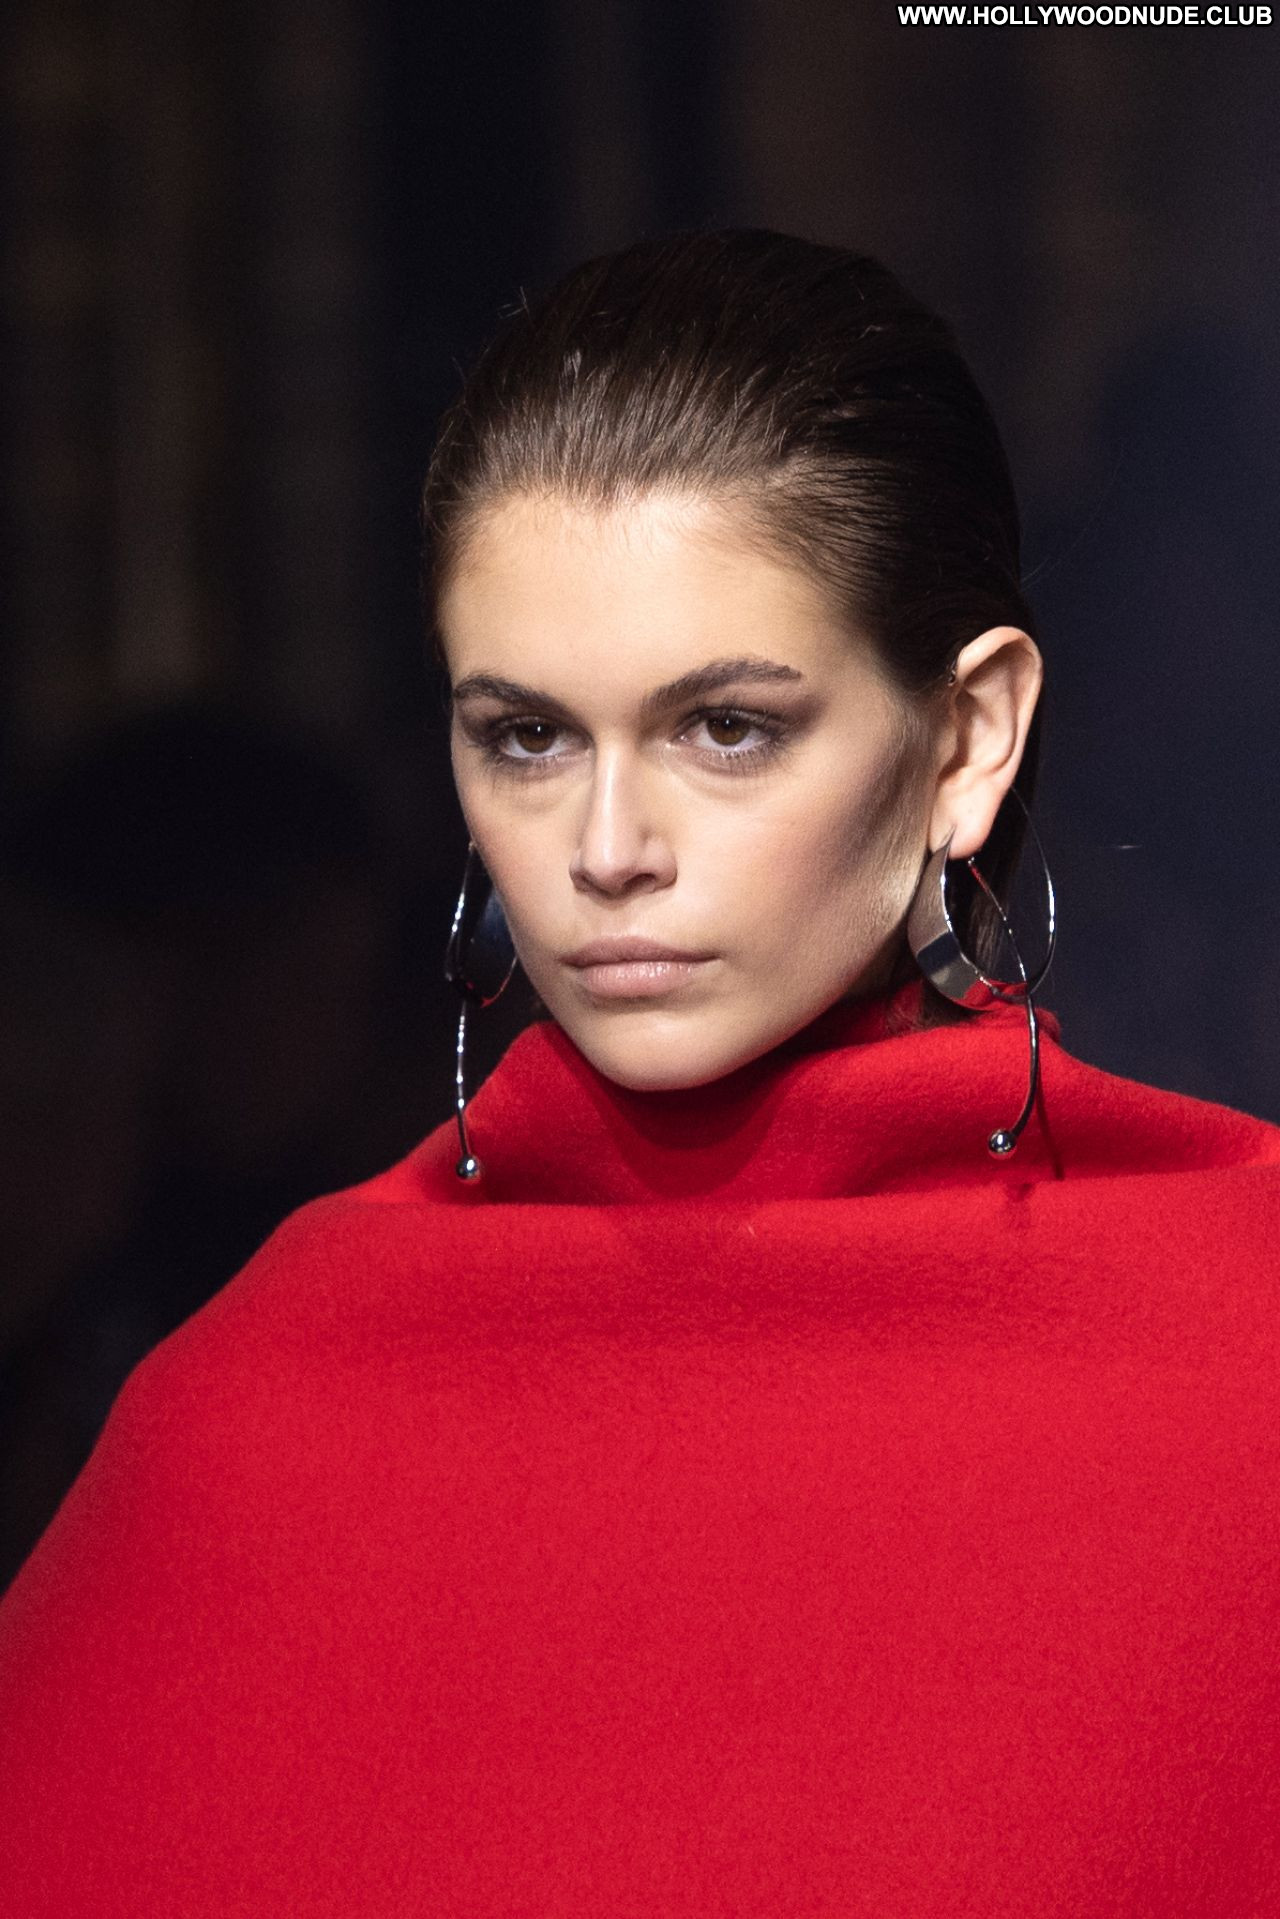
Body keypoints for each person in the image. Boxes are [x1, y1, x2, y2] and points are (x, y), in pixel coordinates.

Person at [2, 228, 1278, 1916]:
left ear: (967, 741)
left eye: (725, 728)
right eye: (525, 735)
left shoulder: (1242, 1354)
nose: (606, 849)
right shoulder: (263, 1402)